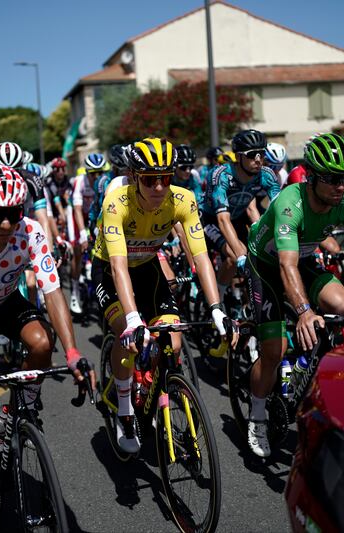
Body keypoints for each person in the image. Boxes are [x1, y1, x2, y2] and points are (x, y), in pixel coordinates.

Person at [0, 164, 95, 531]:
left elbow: (53, 291)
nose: (8, 224)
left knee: (44, 343)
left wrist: (73, 353)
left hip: (6, 303)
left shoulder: (32, 232)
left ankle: (20, 410)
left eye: (14, 213)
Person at [245, 133, 344, 457]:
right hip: (266, 265)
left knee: (342, 305)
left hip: (301, 260)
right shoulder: (291, 203)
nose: (341, 186)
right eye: (333, 179)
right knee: (274, 351)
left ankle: (308, 362)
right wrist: (304, 311)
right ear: (313, 177)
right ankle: (257, 413)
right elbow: (285, 265)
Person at [93, 137, 237, 453]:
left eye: (165, 178)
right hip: (109, 270)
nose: (159, 187)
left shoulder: (183, 200)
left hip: (147, 268)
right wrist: (132, 320)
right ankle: (125, 409)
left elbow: (200, 257)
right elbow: (118, 267)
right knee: (126, 338)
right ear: (133, 176)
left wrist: (216, 309)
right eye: (149, 179)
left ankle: (151, 385)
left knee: (170, 341)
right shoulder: (117, 203)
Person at [202, 129, 280, 313]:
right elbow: (222, 219)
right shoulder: (221, 175)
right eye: (252, 155)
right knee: (233, 255)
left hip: (237, 219)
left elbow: (280, 210)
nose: (259, 159)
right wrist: (241, 255)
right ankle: (217, 301)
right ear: (238, 157)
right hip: (211, 219)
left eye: (262, 153)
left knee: (258, 256)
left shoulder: (266, 174)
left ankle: (246, 302)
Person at [68, 153, 106, 314]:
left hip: (94, 214)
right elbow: (77, 210)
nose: (96, 176)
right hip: (78, 214)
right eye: (93, 173)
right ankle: (75, 291)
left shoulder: (104, 182)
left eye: (100, 173)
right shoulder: (80, 182)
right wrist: (83, 234)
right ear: (87, 172)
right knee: (77, 249)